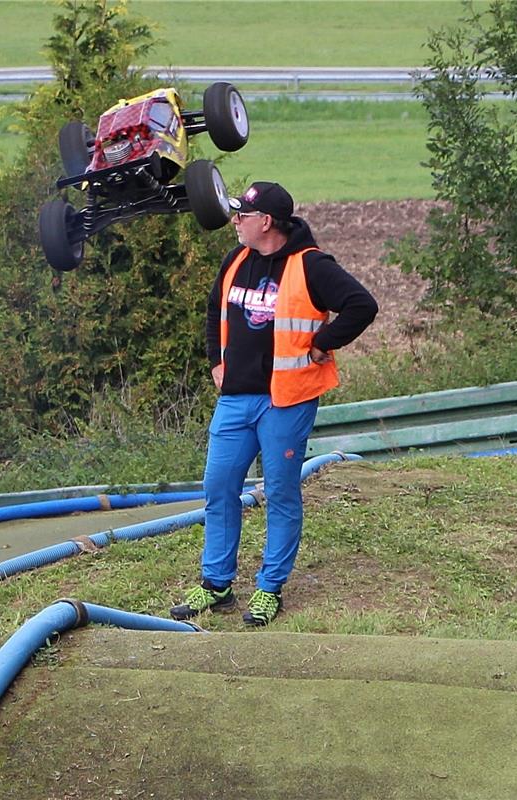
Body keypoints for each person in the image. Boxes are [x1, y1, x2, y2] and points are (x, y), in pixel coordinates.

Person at [170, 181, 378, 626]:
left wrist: (324, 342)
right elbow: (214, 312)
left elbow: (362, 305)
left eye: (242, 215)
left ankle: (268, 588)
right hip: (235, 400)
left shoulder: (312, 266)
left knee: (281, 492)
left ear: (265, 222)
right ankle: (216, 584)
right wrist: (215, 362)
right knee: (218, 487)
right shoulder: (236, 260)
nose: (235, 222)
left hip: (286, 401)